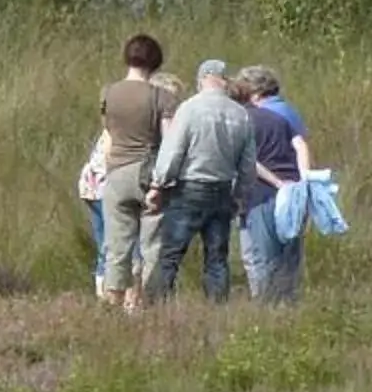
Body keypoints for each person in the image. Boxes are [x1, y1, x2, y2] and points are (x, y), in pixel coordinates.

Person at [147, 57, 257, 303]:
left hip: (190, 188)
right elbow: (248, 164)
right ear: (223, 80)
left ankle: (152, 310)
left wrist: (158, 183)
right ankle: (217, 311)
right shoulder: (241, 115)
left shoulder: (189, 109)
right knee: (217, 258)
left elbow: (172, 151)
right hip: (222, 191)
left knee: (170, 255)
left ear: (203, 78)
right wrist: (240, 195)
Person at [95, 34, 178, 311]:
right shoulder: (162, 97)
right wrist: (162, 183)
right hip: (148, 170)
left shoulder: (108, 93)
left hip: (116, 172)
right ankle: (147, 302)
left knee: (116, 244)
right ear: (155, 61)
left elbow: (109, 131)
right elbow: (169, 144)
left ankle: (112, 301)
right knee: (152, 243)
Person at [235, 66, 315, 305]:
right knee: (289, 254)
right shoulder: (288, 111)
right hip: (293, 190)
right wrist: (304, 182)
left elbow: (248, 159)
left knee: (263, 254)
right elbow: (302, 146)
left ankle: (266, 305)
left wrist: (279, 182)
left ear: (253, 92)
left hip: (265, 191)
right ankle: (287, 304)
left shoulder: (256, 116)